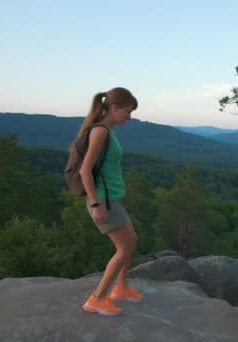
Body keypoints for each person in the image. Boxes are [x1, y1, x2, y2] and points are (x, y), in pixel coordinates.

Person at [79, 87, 142, 316]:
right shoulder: (101, 132)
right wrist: (96, 205)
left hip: (112, 199)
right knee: (123, 249)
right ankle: (97, 298)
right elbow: (85, 171)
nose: (130, 116)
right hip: (104, 201)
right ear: (114, 108)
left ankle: (122, 287)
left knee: (131, 240)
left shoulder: (109, 130)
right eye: (127, 111)